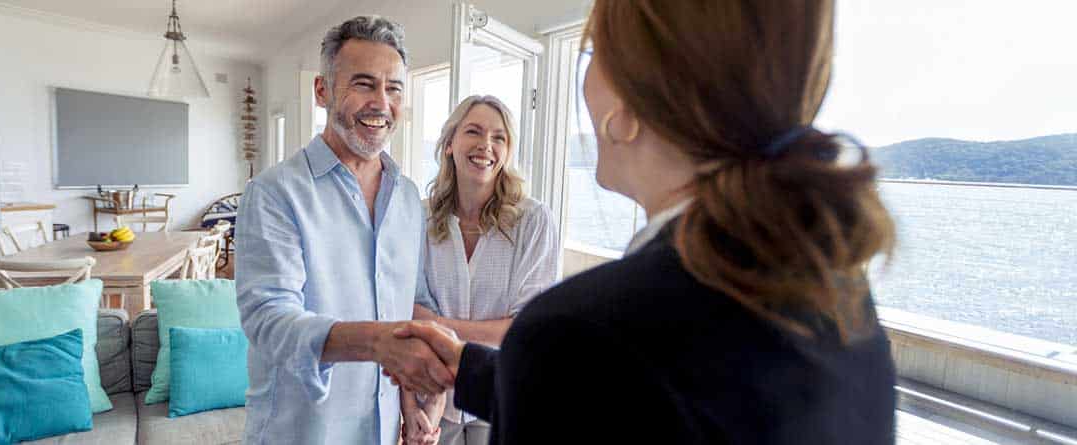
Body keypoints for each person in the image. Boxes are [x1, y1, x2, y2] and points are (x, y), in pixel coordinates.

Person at [393, 1, 899, 443]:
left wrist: (530, 363)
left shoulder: (574, 331)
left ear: (625, 107)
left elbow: (613, 385)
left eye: (592, 55)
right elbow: (648, 404)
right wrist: (471, 369)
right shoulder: (841, 296)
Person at [235, 16, 453, 445]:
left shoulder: (408, 199)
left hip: (384, 430)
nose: (381, 103)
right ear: (323, 90)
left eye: (394, 89)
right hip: (300, 433)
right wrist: (378, 342)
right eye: (364, 84)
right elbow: (269, 321)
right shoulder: (274, 192)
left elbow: (411, 306)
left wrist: (419, 397)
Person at [400, 96, 560, 445]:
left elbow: (526, 329)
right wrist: (408, 406)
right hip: (434, 400)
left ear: (507, 151)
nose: (486, 144)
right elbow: (405, 315)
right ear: (449, 144)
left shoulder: (534, 221)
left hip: (501, 397)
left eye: (499, 137)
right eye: (473, 131)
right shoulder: (419, 217)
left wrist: (440, 326)